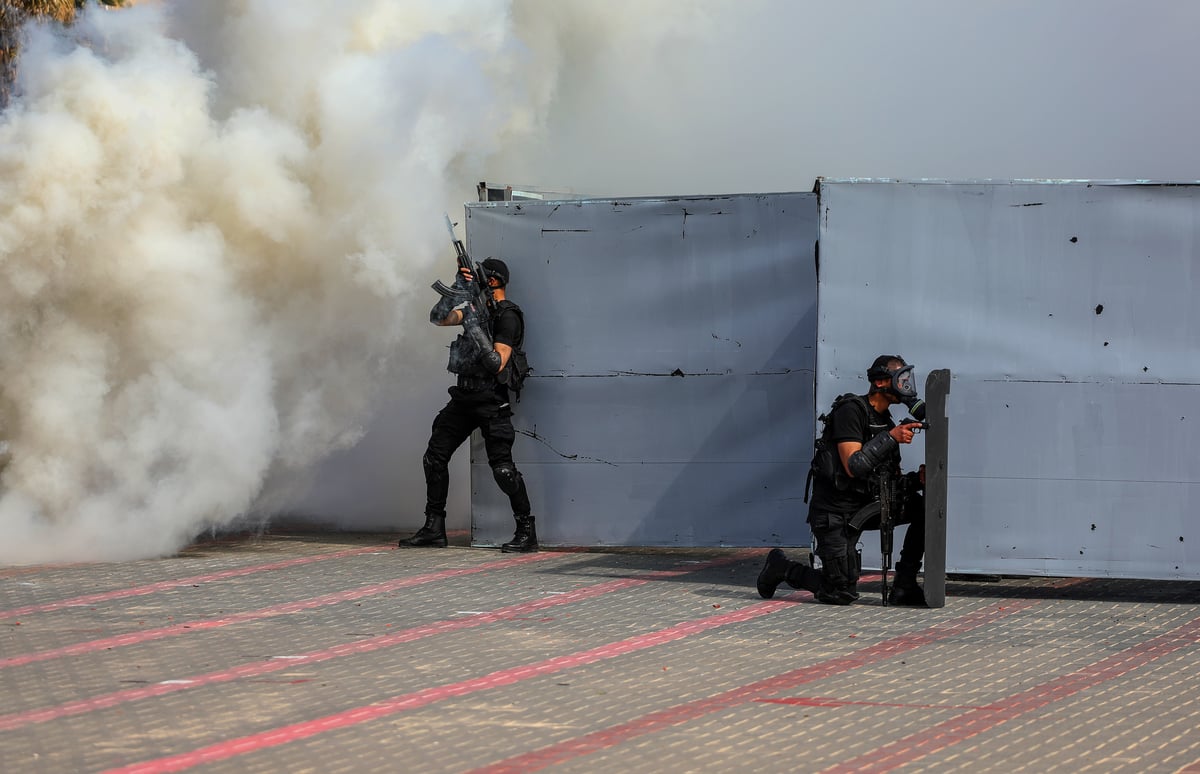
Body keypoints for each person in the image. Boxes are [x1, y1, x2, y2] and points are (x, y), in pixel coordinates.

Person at [757, 355, 927, 605]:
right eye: (900, 378)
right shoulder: (851, 411)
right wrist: (891, 438)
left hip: (867, 506)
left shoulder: (886, 422)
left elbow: (887, 480)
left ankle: (905, 585)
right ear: (881, 382)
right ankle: (781, 568)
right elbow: (853, 466)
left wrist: (916, 481)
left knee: (924, 510)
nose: (905, 385)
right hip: (835, 513)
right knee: (839, 592)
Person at [398, 257, 537, 552]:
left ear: (495, 281)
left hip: (490, 401)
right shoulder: (475, 311)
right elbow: (438, 318)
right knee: (434, 457)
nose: (476, 281)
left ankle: (526, 530)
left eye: (480, 277)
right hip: (463, 399)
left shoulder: (507, 316)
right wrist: (454, 290)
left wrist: (473, 325)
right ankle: (434, 528)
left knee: (503, 469)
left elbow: (497, 363)